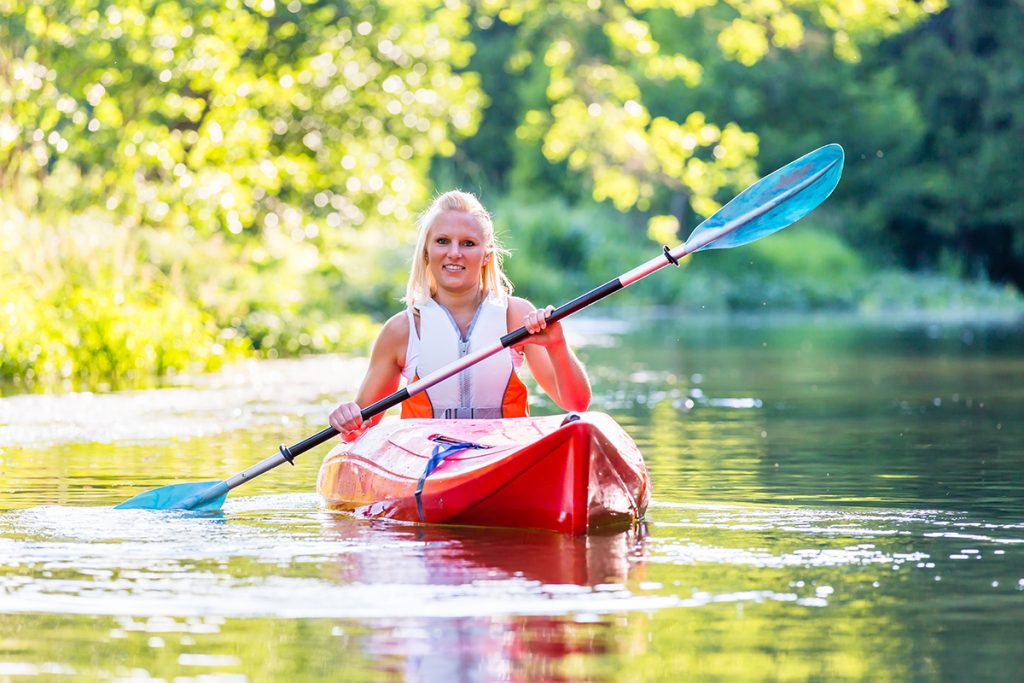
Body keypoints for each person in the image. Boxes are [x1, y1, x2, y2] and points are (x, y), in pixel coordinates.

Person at [328, 190, 591, 441]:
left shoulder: (516, 315)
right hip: (427, 459)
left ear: (486, 254)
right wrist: (348, 418)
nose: (454, 252)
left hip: (503, 451)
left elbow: (576, 403)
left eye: (468, 243)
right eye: (443, 241)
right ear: (427, 252)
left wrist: (557, 344)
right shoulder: (401, 330)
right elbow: (360, 429)